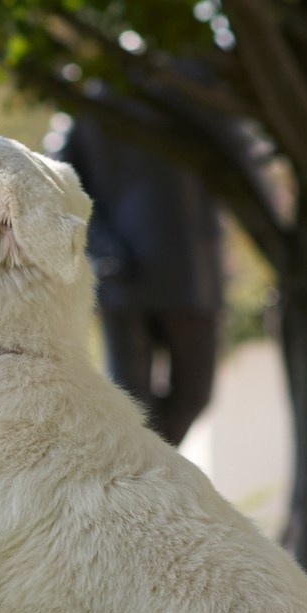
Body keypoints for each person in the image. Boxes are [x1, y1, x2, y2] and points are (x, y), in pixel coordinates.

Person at [42, 112, 224, 445]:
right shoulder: (86, 99)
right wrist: (101, 247)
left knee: (194, 392)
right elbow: (60, 186)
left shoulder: (191, 82)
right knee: (132, 399)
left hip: (191, 268)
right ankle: (147, 476)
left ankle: (150, 471)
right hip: (123, 275)